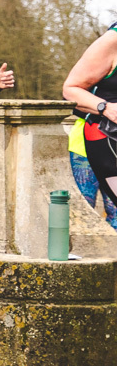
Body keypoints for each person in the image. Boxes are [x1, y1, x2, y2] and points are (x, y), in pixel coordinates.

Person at [62, 20, 117, 231]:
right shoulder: (111, 41)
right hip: (93, 145)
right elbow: (70, 89)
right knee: (82, 216)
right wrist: (106, 108)